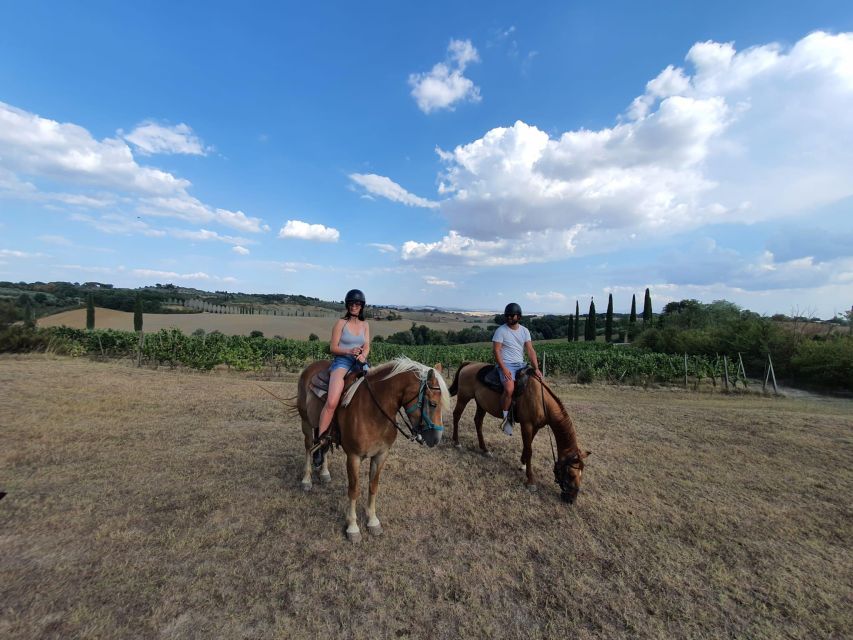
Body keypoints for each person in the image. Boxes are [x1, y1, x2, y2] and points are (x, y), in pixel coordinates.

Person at [314, 289, 370, 464]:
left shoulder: (365, 325)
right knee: (331, 402)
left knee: (374, 392)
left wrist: (363, 356)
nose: (355, 306)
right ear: (348, 305)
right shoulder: (340, 323)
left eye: (358, 304)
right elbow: (333, 348)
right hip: (342, 362)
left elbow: (367, 345)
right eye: (352, 304)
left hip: (359, 363)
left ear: (361, 306)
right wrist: (349, 351)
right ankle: (320, 443)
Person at [492, 302, 542, 436]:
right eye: (507, 315)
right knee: (509, 389)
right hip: (506, 364)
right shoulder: (501, 331)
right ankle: (506, 419)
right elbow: (496, 351)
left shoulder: (524, 331)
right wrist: (504, 368)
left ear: (518, 317)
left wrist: (536, 368)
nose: (509, 318)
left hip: (521, 364)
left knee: (537, 382)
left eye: (512, 315)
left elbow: (530, 350)